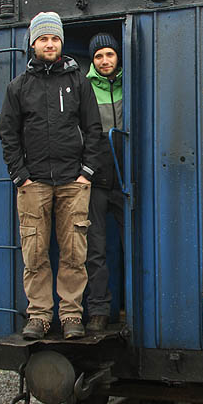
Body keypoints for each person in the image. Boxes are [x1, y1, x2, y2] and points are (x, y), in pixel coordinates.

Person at [0, 11, 103, 340]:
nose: (49, 44)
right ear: (33, 43)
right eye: (43, 38)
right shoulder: (18, 87)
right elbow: (8, 135)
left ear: (61, 42)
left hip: (73, 182)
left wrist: (86, 173)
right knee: (34, 252)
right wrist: (20, 176)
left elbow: (94, 130)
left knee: (74, 252)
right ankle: (40, 316)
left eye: (55, 38)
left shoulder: (78, 82)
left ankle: (71, 315)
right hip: (34, 184)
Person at [84, 32, 125, 333]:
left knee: (134, 245)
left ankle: (134, 305)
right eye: (99, 56)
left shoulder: (130, 82)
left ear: (117, 57)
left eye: (109, 54)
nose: (105, 60)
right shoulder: (85, 88)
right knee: (95, 249)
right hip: (96, 178)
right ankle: (98, 310)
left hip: (126, 178)